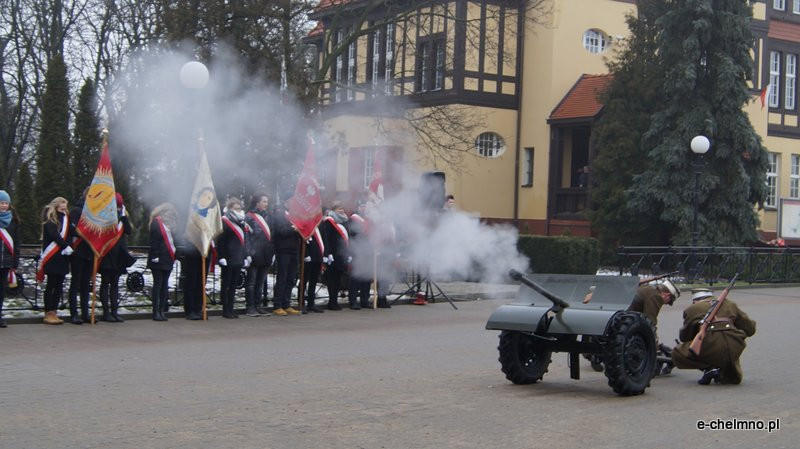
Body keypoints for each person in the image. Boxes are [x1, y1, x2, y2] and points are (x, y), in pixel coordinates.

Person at [671, 288, 757, 385]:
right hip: (735, 346)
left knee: (677, 353)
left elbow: (684, 337)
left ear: (695, 301)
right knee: (730, 378)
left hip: (710, 348)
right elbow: (750, 329)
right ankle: (724, 368)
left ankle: (709, 368)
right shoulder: (730, 304)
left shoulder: (692, 309)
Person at [98, 193, 134, 322]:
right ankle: (106, 312)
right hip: (108, 254)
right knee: (105, 283)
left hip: (119, 255)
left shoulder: (123, 217)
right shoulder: (105, 216)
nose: (118, 208)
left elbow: (129, 231)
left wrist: (123, 217)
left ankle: (114, 311)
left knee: (115, 284)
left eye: (120, 206)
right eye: (117, 206)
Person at [38, 197, 72, 325]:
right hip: (52, 256)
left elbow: (71, 233)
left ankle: (55, 311)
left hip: (63, 257)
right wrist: (65, 246)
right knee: (51, 285)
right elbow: (54, 235)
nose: (64, 208)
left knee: (59, 285)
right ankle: (48, 312)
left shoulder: (67, 219)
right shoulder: (50, 219)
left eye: (65, 206)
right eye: (62, 206)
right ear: (56, 206)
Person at [216, 197, 251, 318]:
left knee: (233, 284)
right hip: (228, 257)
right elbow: (220, 240)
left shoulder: (241, 222)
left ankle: (231, 308)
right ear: (230, 208)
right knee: (226, 283)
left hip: (238, 256)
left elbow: (244, 240)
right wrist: (221, 256)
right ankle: (226, 309)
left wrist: (246, 256)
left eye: (240, 208)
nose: (238, 210)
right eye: (236, 208)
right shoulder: (224, 221)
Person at [244, 193, 274, 317]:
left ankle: (258, 305)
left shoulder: (268, 217)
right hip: (254, 253)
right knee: (251, 282)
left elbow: (272, 236)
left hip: (266, 253)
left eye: (267, 202)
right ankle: (250, 307)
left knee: (260, 282)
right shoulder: (249, 217)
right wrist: (248, 253)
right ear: (257, 203)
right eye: (263, 201)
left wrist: (272, 253)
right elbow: (247, 237)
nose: (266, 204)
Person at [147, 203, 178, 321]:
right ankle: (155, 312)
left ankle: (162, 311)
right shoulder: (157, 222)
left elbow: (174, 241)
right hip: (157, 258)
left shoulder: (173, 224)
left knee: (165, 285)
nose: (171, 215)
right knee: (158, 285)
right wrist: (155, 256)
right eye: (169, 213)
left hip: (168, 257)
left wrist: (176, 255)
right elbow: (153, 240)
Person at [271, 198, 301, 316]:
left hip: (294, 249)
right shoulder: (280, 214)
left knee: (291, 278)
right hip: (283, 250)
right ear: (286, 202)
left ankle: (286, 304)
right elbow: (281, 231)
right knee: (282, 278)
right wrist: (294, 228)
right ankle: (277, 305)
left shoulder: (295, 215)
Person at [67, 188, 93, 324]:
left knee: (85, 284)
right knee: (75, 282)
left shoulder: (95, 212)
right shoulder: (76, 210)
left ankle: (85, 313)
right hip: (78, 251)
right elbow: (73, 229)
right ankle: (74, 314)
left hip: (90, 251)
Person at [321, 201, 349, 311]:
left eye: (342, 208)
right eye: (339, 209)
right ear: (333, 210)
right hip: (333, 255)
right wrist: (328, 254)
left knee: (338, 279)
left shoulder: (344, 221)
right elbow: (327, 238)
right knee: (332, 279)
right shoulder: (329, 221)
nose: (341, 210)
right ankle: (332, 302)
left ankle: (335, 301)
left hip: (341, 254)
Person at [0, 191, 20, 328]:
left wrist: (15, 260)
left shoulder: (13, 220)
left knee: (1, 289)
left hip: (6, 260)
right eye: (1, 203)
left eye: (6, 203)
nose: (4, 205)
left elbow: (16, 242)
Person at [347, 200, 371, 309]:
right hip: (357, 251)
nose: (364, 208)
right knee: (355, 278)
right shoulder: (354, 219)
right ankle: (353, 301)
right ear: (358, 207)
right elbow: (351, 235)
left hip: (367, 251)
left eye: (365, 206)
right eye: (362, 206)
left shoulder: (370, 220)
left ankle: (364, 300)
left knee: (366, 277)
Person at [302, 227, 325, 313]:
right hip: (308, 257)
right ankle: (301, 303)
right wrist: (305, 254)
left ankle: (311, 304)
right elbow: (302, 241)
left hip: (317, 257)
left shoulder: (318, 227)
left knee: (313, 282)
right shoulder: (306, 225)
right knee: (304, 281)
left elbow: (323, 240)